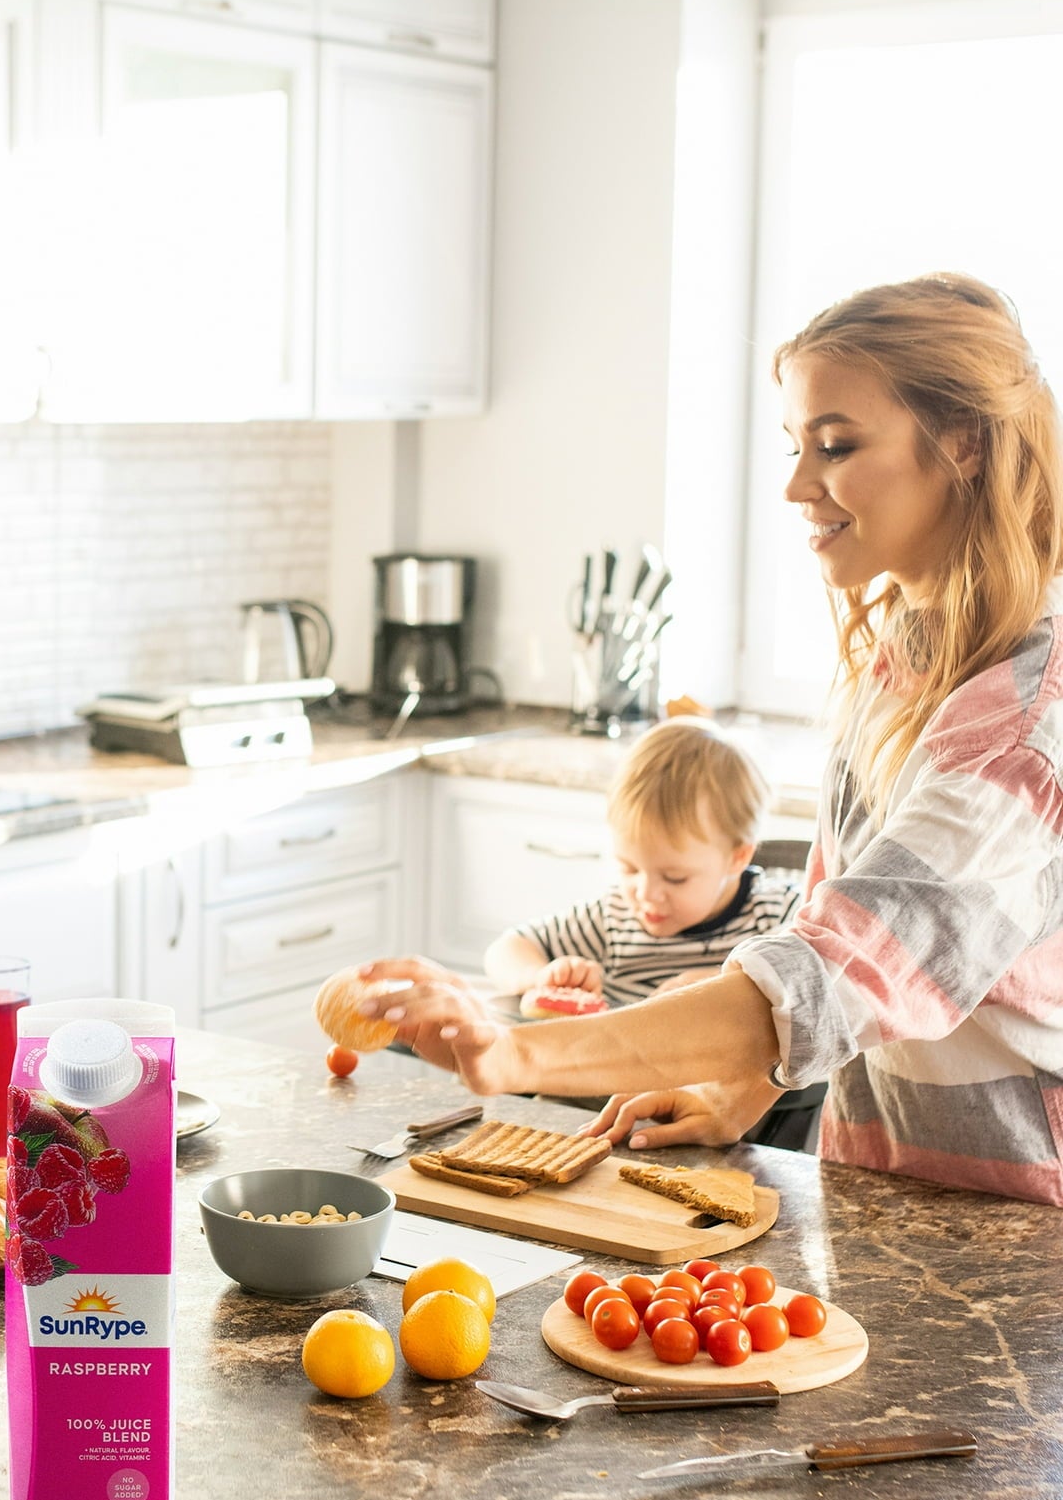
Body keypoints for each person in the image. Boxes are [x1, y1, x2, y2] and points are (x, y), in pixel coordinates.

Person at [358, 275, 1063, 1205]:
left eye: (837, 446)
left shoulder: (1026, 719)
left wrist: (512, 1051)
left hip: (1024, 1233)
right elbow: (840, 926)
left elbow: (842, 967)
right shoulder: (907, 646)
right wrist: (747, 1082)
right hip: (891, 1190)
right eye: (795, 445)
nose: (796, 485)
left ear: (964, 443)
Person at [484, 720, 799, 1011]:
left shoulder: (777, 914)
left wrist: (725, 981)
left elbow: (818, 975)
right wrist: (543, 977)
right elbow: (506, 949)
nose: (646, 894)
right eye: (629, 869)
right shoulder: (614, 918)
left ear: (737, 858)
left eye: (675, 878)